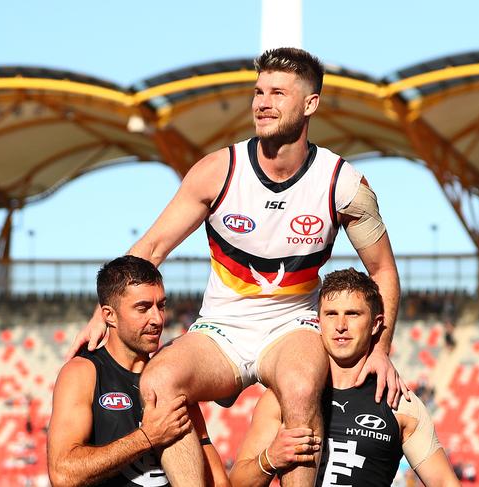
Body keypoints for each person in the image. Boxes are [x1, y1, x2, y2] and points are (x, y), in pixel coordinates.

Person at [69, 47, 404, 486]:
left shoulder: (343, 185)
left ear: (310, 104)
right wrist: (101, 313)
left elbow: (382, 272)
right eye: (258, 92)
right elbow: (151, 246)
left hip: (291, 326)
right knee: (159, 378)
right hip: (221, 330)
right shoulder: (217, 172)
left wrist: (381, 349)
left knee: (302, 387)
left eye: (278, 93)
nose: (263, 102)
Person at [229, 269, 460, 486]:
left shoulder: (400, 404)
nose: (340, 326)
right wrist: (270, 459)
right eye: (331, 314)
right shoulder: (283, 396)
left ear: (375, 324)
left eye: (353, 314)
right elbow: (237, 481)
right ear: (318, 321)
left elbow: (445, 482)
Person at [48, 256, 229, 487]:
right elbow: (63, 475)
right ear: (109, 315)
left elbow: (218, 480)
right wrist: (147, 437)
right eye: (143, 308)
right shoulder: (83, 372)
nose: (157, 318)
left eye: (161, 306)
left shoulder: (172, 377)